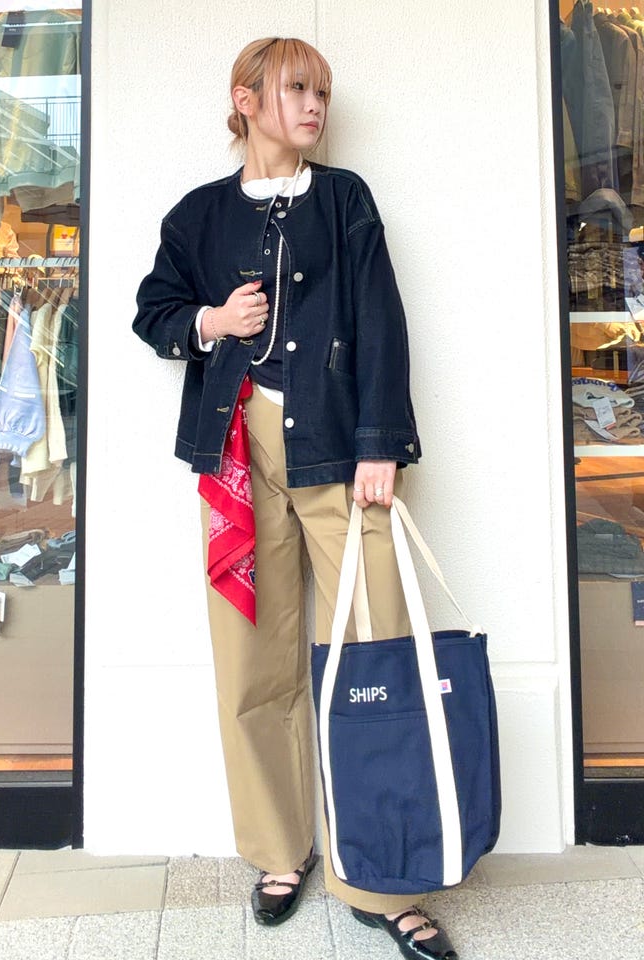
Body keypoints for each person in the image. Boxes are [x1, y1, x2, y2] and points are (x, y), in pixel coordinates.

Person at [133, 37, 458, 960]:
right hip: (234, 456)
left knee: (373, 655)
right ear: (246, 100)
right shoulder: (197, 215)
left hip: (339, 451)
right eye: (296, 90)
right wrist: (211, 321)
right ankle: (282, 850)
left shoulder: (345, 199)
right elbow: (153, 310)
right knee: (252, 662)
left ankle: (383, 876)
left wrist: (381, 443)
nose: (315, 105)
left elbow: (381, 319)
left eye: (322, 92)